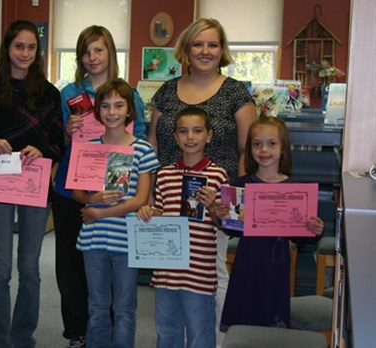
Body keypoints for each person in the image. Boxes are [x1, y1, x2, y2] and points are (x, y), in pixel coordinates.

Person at [147, 18, 257, 346]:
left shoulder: (236, 92)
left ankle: (215, 342)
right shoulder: (167, 91)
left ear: (222, 50)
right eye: (198, 44)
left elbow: (246, 150)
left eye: (212, 44)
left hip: (213, 201)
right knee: (171, 278)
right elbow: (153, 144)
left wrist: (230, 205)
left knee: (211, 275)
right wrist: (150, 194)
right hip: (168, 195)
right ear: (186, 49)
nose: (205, 51)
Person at [52, 25, 148, 348]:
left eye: (99, 50)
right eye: (86, 51)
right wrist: (67, 130)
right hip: (74, 188)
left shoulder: (128, 93)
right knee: (72, 265)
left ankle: (110, 333)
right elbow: (59, 143)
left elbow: (142, 142)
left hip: (118, 191)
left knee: (115, 270)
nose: (92, 58)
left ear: (110, 53)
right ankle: (79, 333)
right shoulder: (68, 93)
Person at [0, 20, 64, 347]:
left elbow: (58, 142)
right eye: (18, 46)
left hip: (35, 185)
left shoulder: (50, 94)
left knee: (29, 268)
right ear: (7, 49)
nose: (24, 53)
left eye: (30, 47)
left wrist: (44, 149)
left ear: (37, 52)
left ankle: (23, 337)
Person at [72, 79, 160, 348]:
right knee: (97, 307)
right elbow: (77, 193)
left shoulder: (142, 149)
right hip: (93, 240)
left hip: (126, 240)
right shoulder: (88, 147)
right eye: (106, 106)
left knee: (124, 308)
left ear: (129, 110)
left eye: (119, 105)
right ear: (97, 111)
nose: (112, 112)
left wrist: (100, 213)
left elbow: (140, 199)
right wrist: (92, 198)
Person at [215, 116, 324, 331]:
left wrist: (316, 230)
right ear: (250, 149)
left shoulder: (294, 189)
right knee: (243, 324)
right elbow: (230, 229)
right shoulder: (240, 185)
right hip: (247, 262)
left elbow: (301, 236)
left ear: (283, 148)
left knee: (271, 325)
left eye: (271, 144)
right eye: (257, 144)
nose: (264, 150)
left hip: (276, 266)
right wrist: (221, 216)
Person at [137, 107, 229, 348]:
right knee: (166, 332)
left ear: (209, 136)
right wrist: (148, 213)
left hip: (199, 274)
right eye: (183, 131)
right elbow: (159, 213)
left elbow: (225, 225)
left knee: (200, 335)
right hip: (166, 273)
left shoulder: (218, 175)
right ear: (175, 137)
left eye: (197, 131)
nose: (190, 137)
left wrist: (212, 208)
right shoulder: (165, 175)